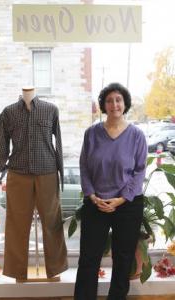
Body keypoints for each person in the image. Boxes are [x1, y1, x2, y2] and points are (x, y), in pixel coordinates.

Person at [74, 82, 147, 300]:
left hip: (127, 205)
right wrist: (92, 195)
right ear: (104, 105)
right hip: (96, 203)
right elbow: (84, 166)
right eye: (109, 100)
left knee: (123, 257)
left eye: (118, 100)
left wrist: (122, 199)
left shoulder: (137, 136)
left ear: (125, 104)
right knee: (88, 258)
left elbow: (139, 170)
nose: (114, 104)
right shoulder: (92, 134)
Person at [0, 86, 68, 280]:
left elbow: (58, 142)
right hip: (18, 175)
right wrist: (3, 166)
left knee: (52, 223)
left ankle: (56, 270)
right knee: (16, 225)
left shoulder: (50, 110)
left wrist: (60, 170)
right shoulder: (8, 112)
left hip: (48, 173)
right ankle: (18, 272)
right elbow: (1, 142)